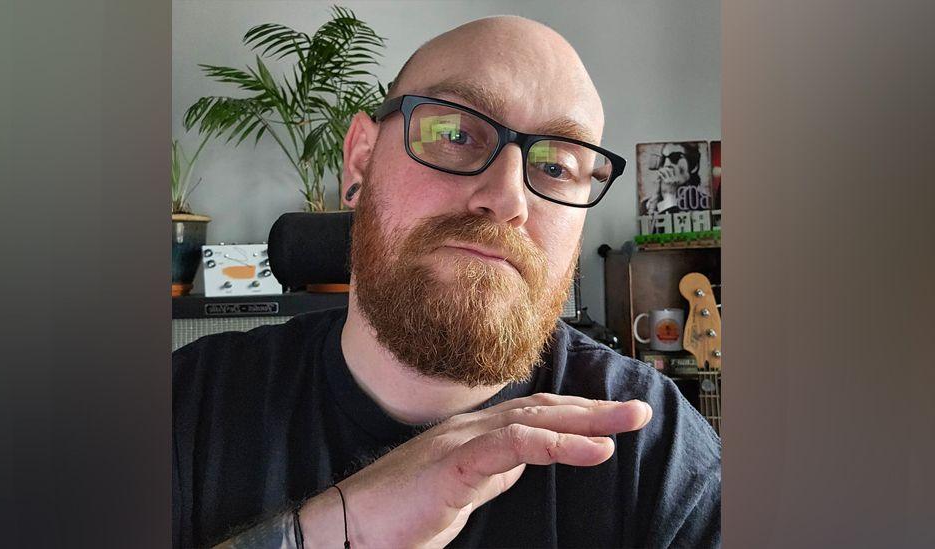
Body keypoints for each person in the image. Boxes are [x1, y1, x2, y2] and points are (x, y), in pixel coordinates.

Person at [173, 15, 720, 549]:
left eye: (556, 167)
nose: (507, 200)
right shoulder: (183, 406)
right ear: (360, 161)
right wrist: (333, 530)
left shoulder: (651, 445)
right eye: (455, 132)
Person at [641, 142, 712, 215]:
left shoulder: (707, 203)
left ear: (694, 166)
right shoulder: (647, 204)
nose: (667, 164)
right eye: (663, 159)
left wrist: (669, 197)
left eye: (675, 157)